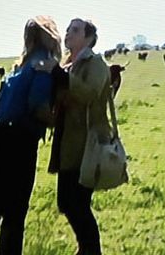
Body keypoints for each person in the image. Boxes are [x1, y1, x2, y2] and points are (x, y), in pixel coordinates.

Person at [0, 15, 61, 255]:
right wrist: (59, 124)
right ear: (52, 36)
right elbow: (37, 105)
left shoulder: (19, 66)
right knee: (14, 213)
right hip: (18, 140)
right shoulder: (43, 64)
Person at [37, 18, 111, 255]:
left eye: (75, 30)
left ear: (89, 38)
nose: (68, 33)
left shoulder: (96, 63)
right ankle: (85, 248)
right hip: (67, 142)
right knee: (66, 202)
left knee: (78, 204)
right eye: (68, 29)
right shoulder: (69, 64)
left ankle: (91, 251)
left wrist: (59, 74)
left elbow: (89, 94)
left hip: (87, 144)